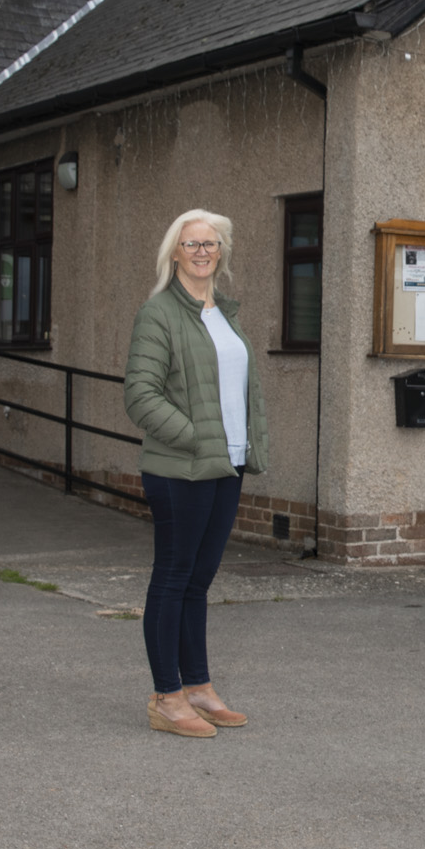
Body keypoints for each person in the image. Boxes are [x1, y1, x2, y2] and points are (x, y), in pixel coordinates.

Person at [122, 208, 266, 739]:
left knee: (199, 580)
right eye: (191, 244)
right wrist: (194, 435)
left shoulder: (224, 314)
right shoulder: (159, 313)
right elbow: (139, 394)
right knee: (173, 576)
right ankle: (166, 695)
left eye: (210, 244)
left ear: (220, 252)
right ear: (174, 253)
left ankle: (199, 686)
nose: (202, 251)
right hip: (180, 467)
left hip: (227, 464)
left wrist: (235, 445)